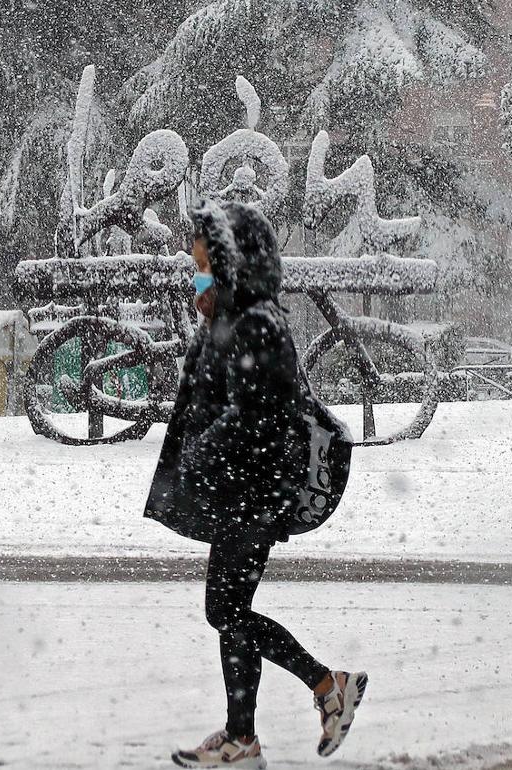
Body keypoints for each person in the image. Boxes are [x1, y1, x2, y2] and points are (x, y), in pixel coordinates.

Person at [145, 201, 367, 770]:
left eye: (202, 265)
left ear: (233, 264)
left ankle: (324, 685)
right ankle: (246, 736)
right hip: (241, 493)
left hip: (256, 494)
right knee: (230, 610)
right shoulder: (231, 318)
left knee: (225, 611)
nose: (195, 275)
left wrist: (200, 453)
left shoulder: (259, 323)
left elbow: (256, 415)